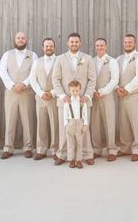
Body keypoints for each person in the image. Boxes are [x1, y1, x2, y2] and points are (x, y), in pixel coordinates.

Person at [52, 32, 96, 166]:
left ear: (80, 43)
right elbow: (55, 79)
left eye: (76, 42)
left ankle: (87, 154)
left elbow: (92, 79)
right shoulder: (60, 59)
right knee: (65, 129)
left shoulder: (87, 58)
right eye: (72, 42)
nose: (74, 44)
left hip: (83, 101)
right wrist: (62, 96)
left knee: (84, 129)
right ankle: (63, 154)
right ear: (67, 43)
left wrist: (87, 96)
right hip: (65, 101)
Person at [0, 31, 37, 159]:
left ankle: (28, 147)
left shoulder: (33, 55)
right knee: (10, 120)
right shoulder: (6, 55)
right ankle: (8, 148)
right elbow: (3, 72)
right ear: (14, 40)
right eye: (18, 38)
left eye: (22, 38)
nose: (20, 40)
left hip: (27, 92)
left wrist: (24, 84)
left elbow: (34, 73)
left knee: (28, 120)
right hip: (11, 92)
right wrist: (12, 85)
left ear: (26, 40)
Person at [115, 34, 138, 162]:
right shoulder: (118, 59)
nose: (127, 44)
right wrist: (117, 88)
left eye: (130, 42)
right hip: (121, 94)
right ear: (123, 43)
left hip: (134, 94)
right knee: (123, 123)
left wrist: (126, 89)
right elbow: (114, 76)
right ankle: (125, 148)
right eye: (126, 42)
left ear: (135, 43)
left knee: (137, 122)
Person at [30, 38, 58, 160]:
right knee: (41, 124)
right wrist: (41, 93)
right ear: (43, 47)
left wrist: (52, 93)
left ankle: (56, 150)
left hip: (54, 98)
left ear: (54, 47)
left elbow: (62, 80)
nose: (49, 48)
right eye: (46, 46)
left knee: (55, 124)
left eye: (51, 46)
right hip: (40, 98)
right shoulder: (37, 62)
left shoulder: (59, 61)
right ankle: (41, 150)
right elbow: (33, 79)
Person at [91, 38, 119, 161]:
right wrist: (93, 92)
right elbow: (87, 79)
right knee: (95, 124)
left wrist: (102, 91)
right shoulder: (91, 61)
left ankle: (112, 150)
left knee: (109, 123)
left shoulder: (112, 61)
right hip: (93, 97)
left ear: (106, 47)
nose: (99, 47)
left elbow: (114, 80)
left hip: (106, 96)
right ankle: (96, 149)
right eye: (97, 45)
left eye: (102, 45)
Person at [64, 80, 89, 169]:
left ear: (80, 90)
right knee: (70, 143)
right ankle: (71, 160)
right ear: (69, 90)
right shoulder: (67, 102)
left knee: (79, 142)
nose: (75, 93)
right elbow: (65, 114)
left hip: (80, 123)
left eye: (77, 91)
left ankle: (78, 160)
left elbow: (85, 114)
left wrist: (85, 124)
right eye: (73, 91)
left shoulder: (82, 102)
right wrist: (66, 124)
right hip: (70, 123)